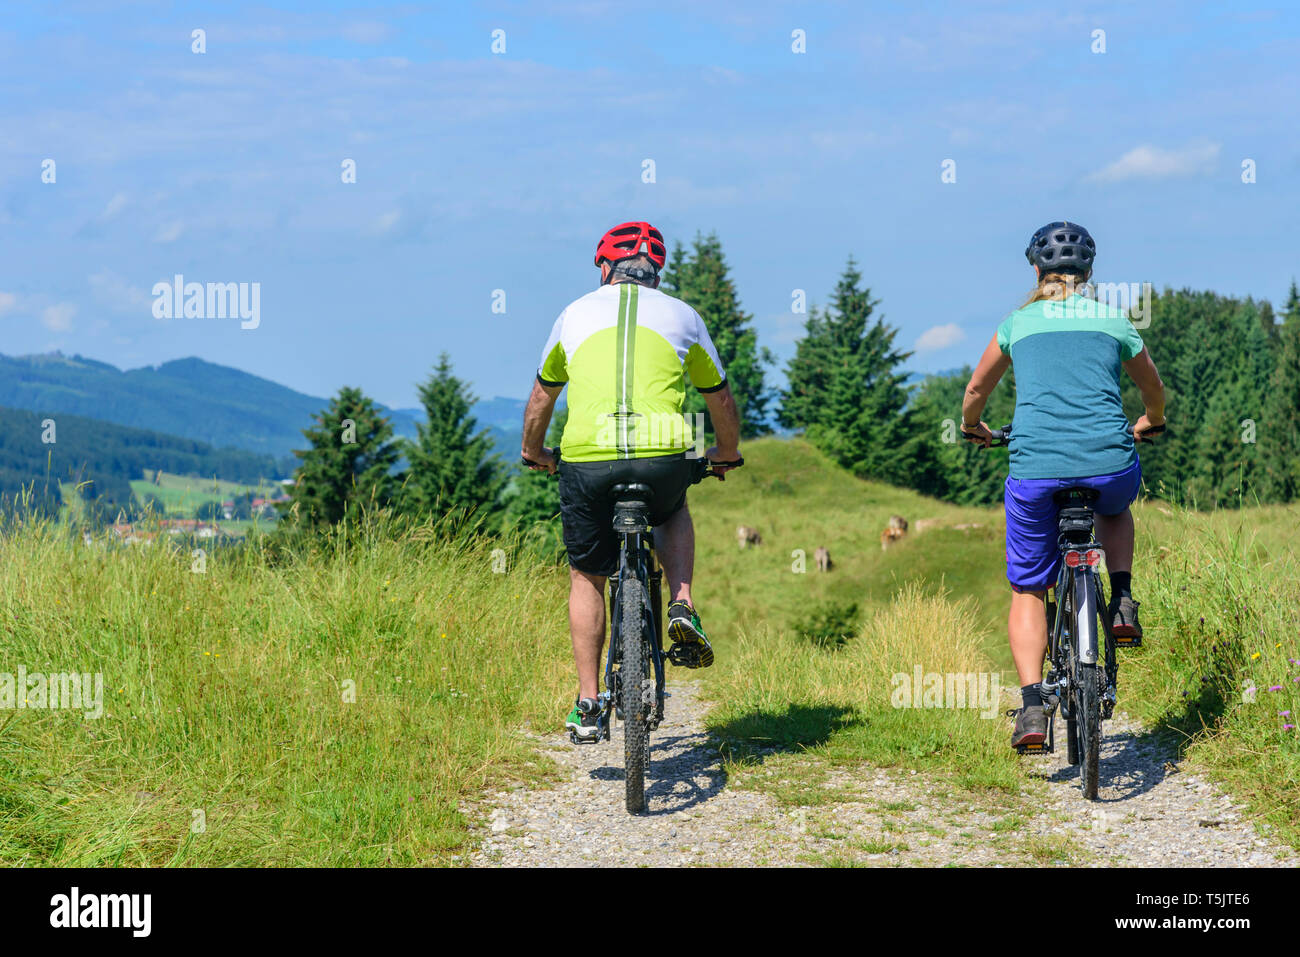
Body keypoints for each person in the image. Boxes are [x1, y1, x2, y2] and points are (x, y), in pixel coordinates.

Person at [520, 221, 743, 741]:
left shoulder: (573, 314)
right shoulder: (684, 315)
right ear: (656, 274)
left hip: (586, 457)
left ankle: (587, 702)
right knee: (673, 506)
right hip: (666, 451)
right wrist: (726, 453)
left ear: (604, 269)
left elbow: (541, 400)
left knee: (585, 576)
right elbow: (720, 399)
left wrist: (535, 452)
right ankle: (683, 601)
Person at [961, 221, 1167, 749]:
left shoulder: (1017, 324)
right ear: (1090, 273)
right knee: (1116, 508)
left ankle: (1032, 707)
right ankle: (1121, 599)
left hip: (1036, 470)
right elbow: (1152, 388)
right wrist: (1151, 421)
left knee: (1028, 586)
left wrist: (972, 427)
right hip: (1108, 461)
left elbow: (977, 388)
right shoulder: (1113, 320)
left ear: (1036, 270)